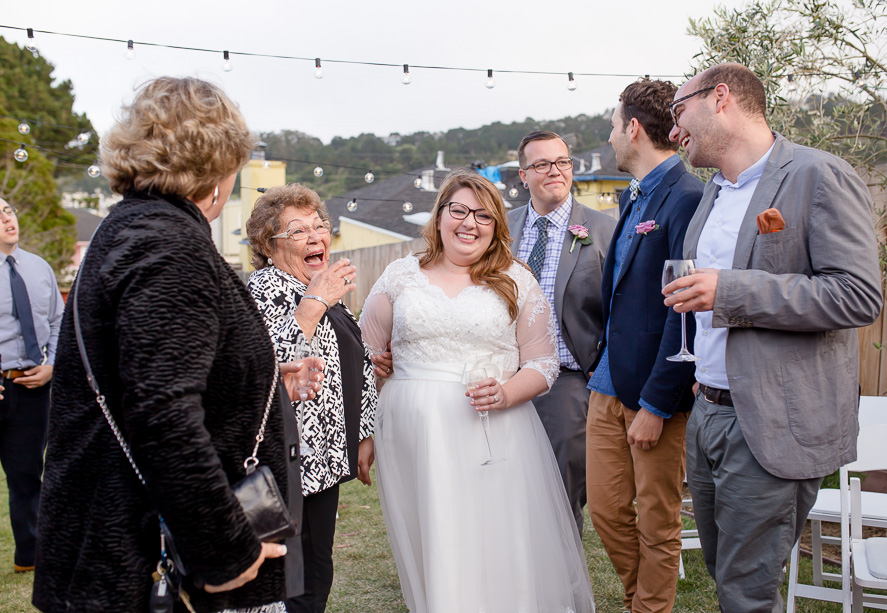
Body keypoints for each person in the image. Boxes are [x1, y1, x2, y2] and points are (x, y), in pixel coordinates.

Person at [33, 77, 322, 613]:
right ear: (220, 162)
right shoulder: (167, 244)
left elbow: (149, 371)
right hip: (146, 555)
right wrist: (226, 552)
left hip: (125, 538)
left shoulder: (137, 229)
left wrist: (254, 379)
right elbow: (162, 413)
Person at [663, 63, 883, 612]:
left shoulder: (817, 175)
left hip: (771, 424)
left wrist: (732, 291)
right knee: (724, 575)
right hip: (709, 413)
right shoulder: (713, 193)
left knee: (746, 593)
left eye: (677, 110)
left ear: (720, 98)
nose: (672, 131)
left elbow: (857, 296)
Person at [359, 169, 594, 612]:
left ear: (496, 226)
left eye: (484, 216)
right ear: (440, 215)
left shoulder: (516, 279)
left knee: (496, 537)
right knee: (433, 538)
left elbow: (544, 364)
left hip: (494, 434)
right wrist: (366, 423)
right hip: (413, 437)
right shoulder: (399, 277)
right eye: (460, 210)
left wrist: (506, 393)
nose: (470, 223)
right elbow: (362, 358)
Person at [586, 79, 703, 613]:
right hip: (606, 384)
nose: (611, 135)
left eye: (614, 124)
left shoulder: (687, 197)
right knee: (607, 512)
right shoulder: (634, 197)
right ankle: (641, 601)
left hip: (653, 394)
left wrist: (657, 404)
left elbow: (686, 314)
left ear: (633, 128)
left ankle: (649, 608)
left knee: (658, 519)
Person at [247, 183, 377, 613]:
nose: (316, 237)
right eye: (298, 231)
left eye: (319, 226)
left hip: (320, 461)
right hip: (281, 462)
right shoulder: (264, 291)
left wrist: (363, 434)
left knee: (317, 570)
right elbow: (269, 367)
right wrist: (314, 302)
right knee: (287, 579)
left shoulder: (320, 287)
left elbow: (348, 364)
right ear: (268, 246)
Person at [508, 130, 617, 534]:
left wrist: (601, 378)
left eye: (562, 162)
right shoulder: (501, 229)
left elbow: (618, 313)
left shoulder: (604, 230)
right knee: (504, 489)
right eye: (541, 164)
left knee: (558, 493)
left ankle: (562, 589)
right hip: (503, 376)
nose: (554, 171)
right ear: (523, 175)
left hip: (569, 383)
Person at [0, 197, 64, 574]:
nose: (7, 218)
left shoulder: (39, 268)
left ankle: (30, 556)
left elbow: (56, 322)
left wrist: (52, 365)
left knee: (26, 475)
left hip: (31, 388)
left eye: (8, 210)